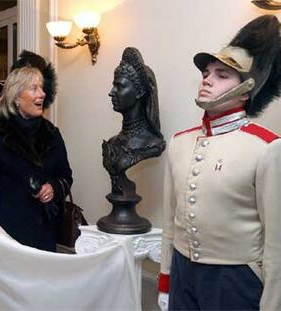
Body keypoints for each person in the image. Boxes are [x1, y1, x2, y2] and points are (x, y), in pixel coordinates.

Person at [158, 15, 281, 310]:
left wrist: (272, 304)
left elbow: (277, 244)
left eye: (222, 75)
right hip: (182, 273)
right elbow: (169, 222)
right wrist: (165, 281)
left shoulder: (267, 148)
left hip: (234, 280)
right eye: (206, 73)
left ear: (247, 88)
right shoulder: (179, 142)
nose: (207, 80)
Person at [0, 65, 72, 252]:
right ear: (16, 97)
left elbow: (66, 176)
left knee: (44, 279)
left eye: (42, 88)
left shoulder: (51, 133)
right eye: (34, 88)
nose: (42, 94)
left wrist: (53, 188)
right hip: (11, 231)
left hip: (45, 229)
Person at [102, 47, 165, 195]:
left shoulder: (152, 144)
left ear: (139, 91)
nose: (111, 92)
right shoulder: (113, 143)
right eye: (113, 85)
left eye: (120, 86)